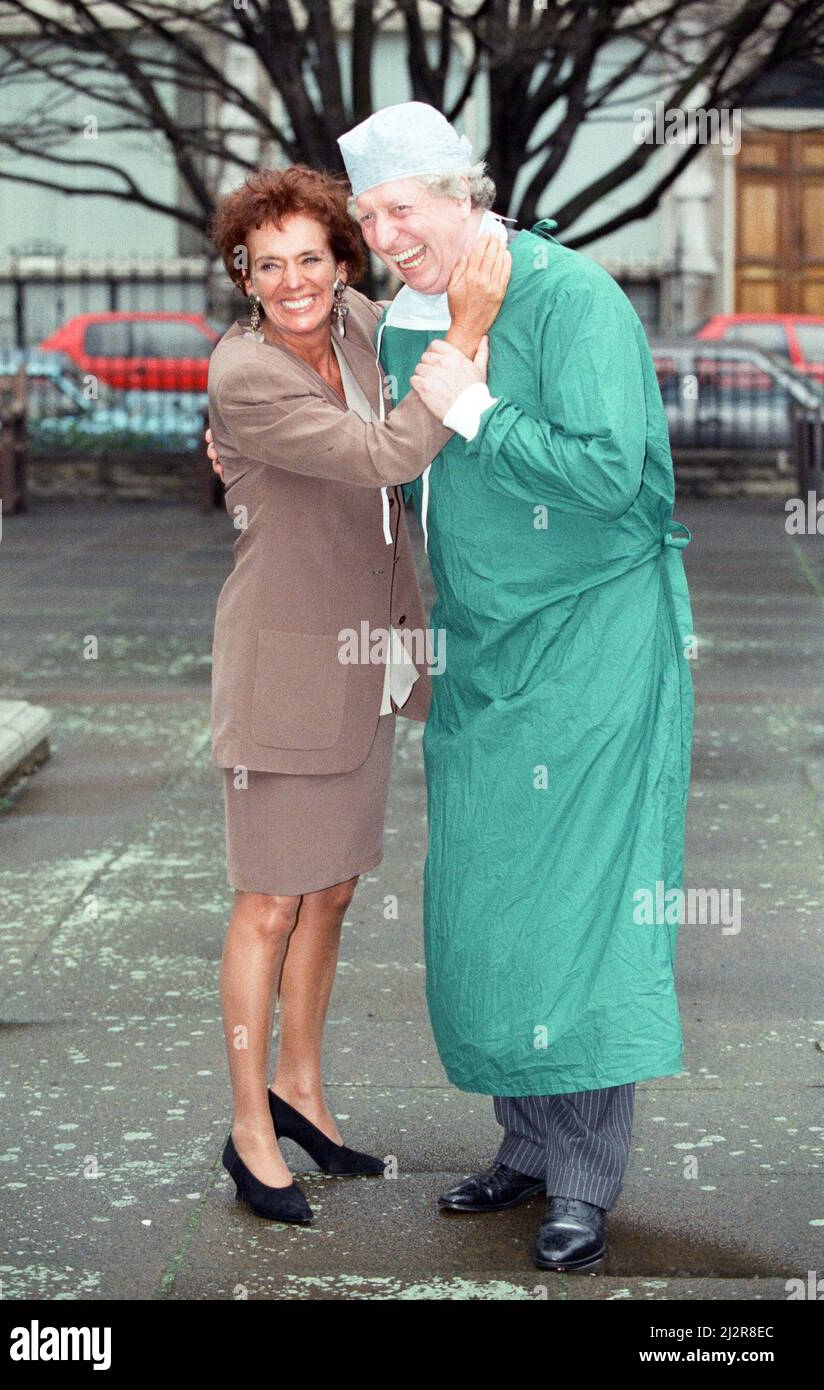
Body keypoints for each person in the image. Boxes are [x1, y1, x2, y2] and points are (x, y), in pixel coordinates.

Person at [338, 102, 695, 1273]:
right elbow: (395, 470)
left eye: (401, 208)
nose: (385, 233)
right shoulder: (404, 322)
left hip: (592, 636)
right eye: (369, 214)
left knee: (573, 904)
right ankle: (528, 1144)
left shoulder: (572, 296)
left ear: (463, 192)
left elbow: (622, 483)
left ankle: (585, 1184)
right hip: (483, 645)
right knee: (487, 897)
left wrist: (481, 409)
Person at [206, 164, 511, 1225]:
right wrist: (463, 342)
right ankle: (252, 1131)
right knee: (269, 902)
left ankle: (302, 1092)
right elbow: (388, 455)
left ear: (344, 263)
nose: (292, 281)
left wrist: (473, 256)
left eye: (312, 258)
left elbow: (442, 281)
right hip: (284, 674)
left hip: (368, 662)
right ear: (243, 275)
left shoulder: (358, 328)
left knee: (330, 889)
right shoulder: (244, 375)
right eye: (268, 263)